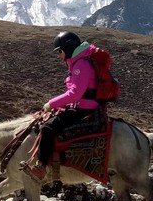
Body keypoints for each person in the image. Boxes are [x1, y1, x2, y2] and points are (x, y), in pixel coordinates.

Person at [26, 31, 100, 180]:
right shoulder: (80, 62)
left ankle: (41, 167)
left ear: (68, 49)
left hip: (84, 107)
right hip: (82, 105)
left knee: (47, 128)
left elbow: (75, 94)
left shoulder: (81, 65)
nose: (59, 55)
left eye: (59, 51)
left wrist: (51, 104)